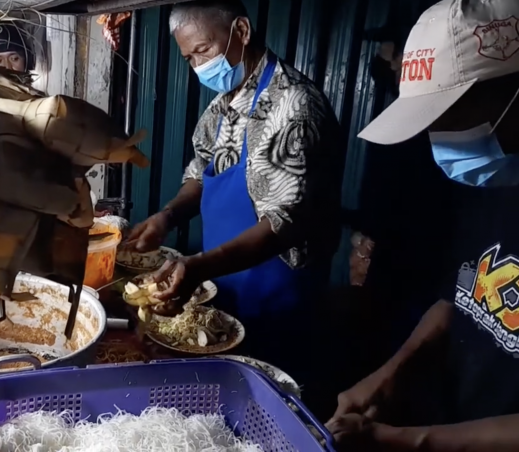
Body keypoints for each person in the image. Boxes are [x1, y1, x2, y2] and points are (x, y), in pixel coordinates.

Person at [327, 0, 519, 450]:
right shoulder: (491, 181)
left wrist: (415, 440)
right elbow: (461, 293)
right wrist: (391, 373)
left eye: (449, 115)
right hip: (453, 412)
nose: (439, 137)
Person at [125, 0, 345, 392]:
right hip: (225, 288)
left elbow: (283, 224)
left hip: (278, 300)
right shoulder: (222, 106)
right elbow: (201, 174)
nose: (199, 67)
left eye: (204, 51)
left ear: (241, 32)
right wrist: (168, 217)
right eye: (189, 58)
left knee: (273, 398)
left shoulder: (293, 107)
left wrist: (198, 267)